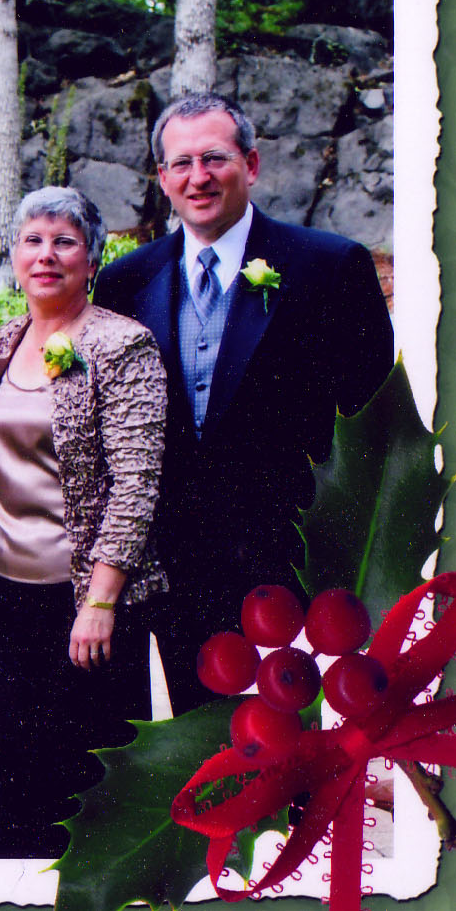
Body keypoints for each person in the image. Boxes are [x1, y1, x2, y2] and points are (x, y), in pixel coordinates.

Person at [93, 93, 394, 714]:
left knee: (301, 758)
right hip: (178, 570)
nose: (197, 177)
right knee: (205, 760)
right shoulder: (124, 283)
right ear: (162, 179)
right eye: (180, 164)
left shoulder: (330, 266)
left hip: (292, 568)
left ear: (251, 164)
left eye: (214, 158)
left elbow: (370, 428)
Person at [0, 187, 168, 859]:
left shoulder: (122, 344)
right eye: (32, 240)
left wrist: (102, 599)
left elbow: (137, 483)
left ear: (93, 258)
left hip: (85, 601)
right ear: (16, 258)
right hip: (4, 595)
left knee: (90, 780)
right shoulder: (4, 341)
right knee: (17, 775)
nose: (46, 255)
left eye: (64, 241)